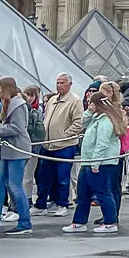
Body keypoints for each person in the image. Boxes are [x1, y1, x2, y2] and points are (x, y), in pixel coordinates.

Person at [64, 85, 127, 234]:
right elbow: (82, 124)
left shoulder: (106, 120)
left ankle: (110, 221)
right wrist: (88, 113)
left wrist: (95, 163)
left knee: (103, 192)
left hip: (101, 162)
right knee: (83, 192)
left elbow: (102, 143)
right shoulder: (96, 117)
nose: (89, 104)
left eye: (91, 103)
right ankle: (79, 221)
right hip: (89, 160)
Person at [0, 77, 34, 234]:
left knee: (14, 185)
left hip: (17, 150)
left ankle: (25, 223)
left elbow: (17, 128)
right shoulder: (10, 103)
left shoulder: (17, 105)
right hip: (9, 150)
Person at [37, 73, 82, 214]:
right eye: (57, 83)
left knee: (63, 177)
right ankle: (41, 204)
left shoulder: (75, 101)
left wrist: (64, 135)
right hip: (48, 143)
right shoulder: (52, 100)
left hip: (64, 145)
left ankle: (63, 204)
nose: (59, 85)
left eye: (62, 83)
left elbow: (78, 123)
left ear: (70, 84)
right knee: (43, 176)